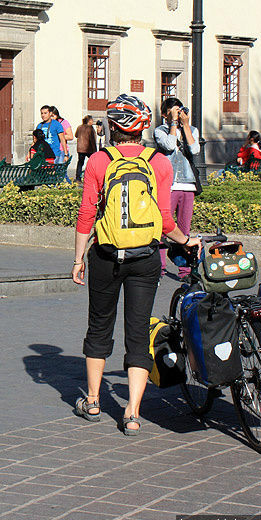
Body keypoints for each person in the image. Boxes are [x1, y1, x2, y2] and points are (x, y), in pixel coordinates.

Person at [72, 94, 201, 436]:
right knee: (139, 332)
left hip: (105, 256)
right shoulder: (160, 163)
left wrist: (77, 258)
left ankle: (95, 400)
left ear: (112, 127)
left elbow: (87, 213)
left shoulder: (99, 161)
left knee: (99, 325)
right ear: (143, 126)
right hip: (145, 258)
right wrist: (186, 240)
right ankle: (131, 413)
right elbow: (164, 219)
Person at [153, 97, 200, 278]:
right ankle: (160, 267)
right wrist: (173, 123)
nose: (177, 113)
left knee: (184, 230)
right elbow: (170, 145)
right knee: (164, 228)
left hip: (188, 184)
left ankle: (185, 270)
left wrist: (185, 125)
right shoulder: (161, 130)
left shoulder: (192, 130)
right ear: (165, 114)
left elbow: (195, 149)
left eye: (179, 110)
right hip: (168, 185)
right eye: (173, 111)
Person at [74, 115, 96, 182]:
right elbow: (92, 139)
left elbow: (76, 135)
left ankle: (78, 177)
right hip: (88, 148)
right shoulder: (90, 128)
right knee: (93, 163)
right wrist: (95, 150)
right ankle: (92, 176)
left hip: (80, 149)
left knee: (80, 163)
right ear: (89, 121)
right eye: (92, 120)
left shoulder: (79, 127)